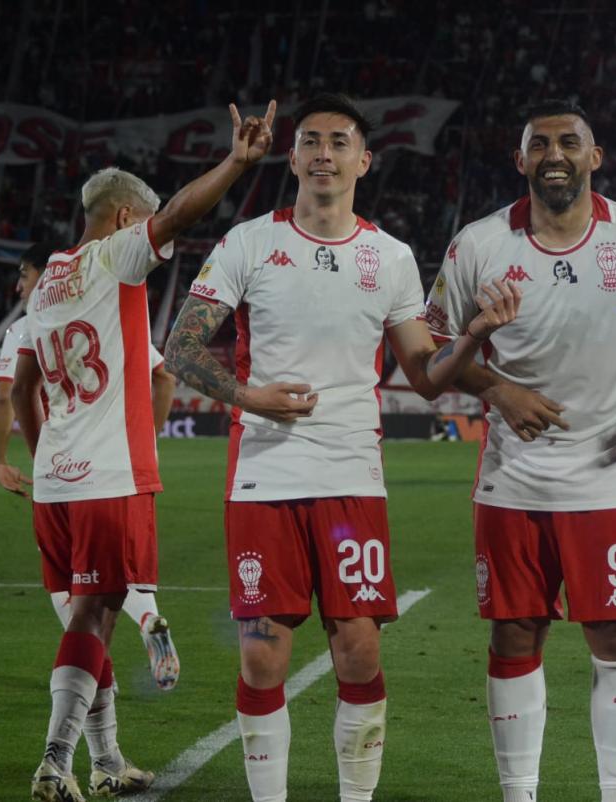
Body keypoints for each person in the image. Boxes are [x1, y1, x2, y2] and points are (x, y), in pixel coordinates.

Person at [163, 93, 521, 802]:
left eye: (338, 142)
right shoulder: (248, 243)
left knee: (358, 654)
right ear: (292, 158)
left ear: (364, 158)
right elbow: (180, 346)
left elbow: (423, 376)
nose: (324, 153)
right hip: (264, 479)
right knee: (264, 657)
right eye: (312, 142)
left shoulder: (388, 257)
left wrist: (473, 334)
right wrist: (249, 397)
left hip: (352, 481)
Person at [423, 99, 616, 802]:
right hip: (513, 480)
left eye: (570, 143)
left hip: (612, 480)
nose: (555, 155)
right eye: (540, 145)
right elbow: (435, 355)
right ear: (521, 160)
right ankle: (520, 794)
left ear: (595, 157)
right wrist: (498, 389)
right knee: (513, 635)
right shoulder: (477, 243)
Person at [13, 100, 278, 802]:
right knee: (97, 616)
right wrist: (236, 162)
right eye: (145, 222)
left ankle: (104, 764)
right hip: (108, 478)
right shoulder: (113, 255)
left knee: (86, 625)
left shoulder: (42, 290)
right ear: (127, 218)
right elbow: (181, 216)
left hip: (58, 482)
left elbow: (25, 390)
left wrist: (44, 467)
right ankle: (53, 760)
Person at [0, 241, 182, 692]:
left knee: (71, 594)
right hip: (118, 464)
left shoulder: (27, 325)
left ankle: (94, 692)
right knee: (116, 570)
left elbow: (10, 394)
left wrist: (1, 458)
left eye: (25, 274)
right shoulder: (105, 311)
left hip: (62, 468)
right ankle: (148, 618)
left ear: (49, 273)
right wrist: (143, 440)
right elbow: (166, 375)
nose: (20, 286)